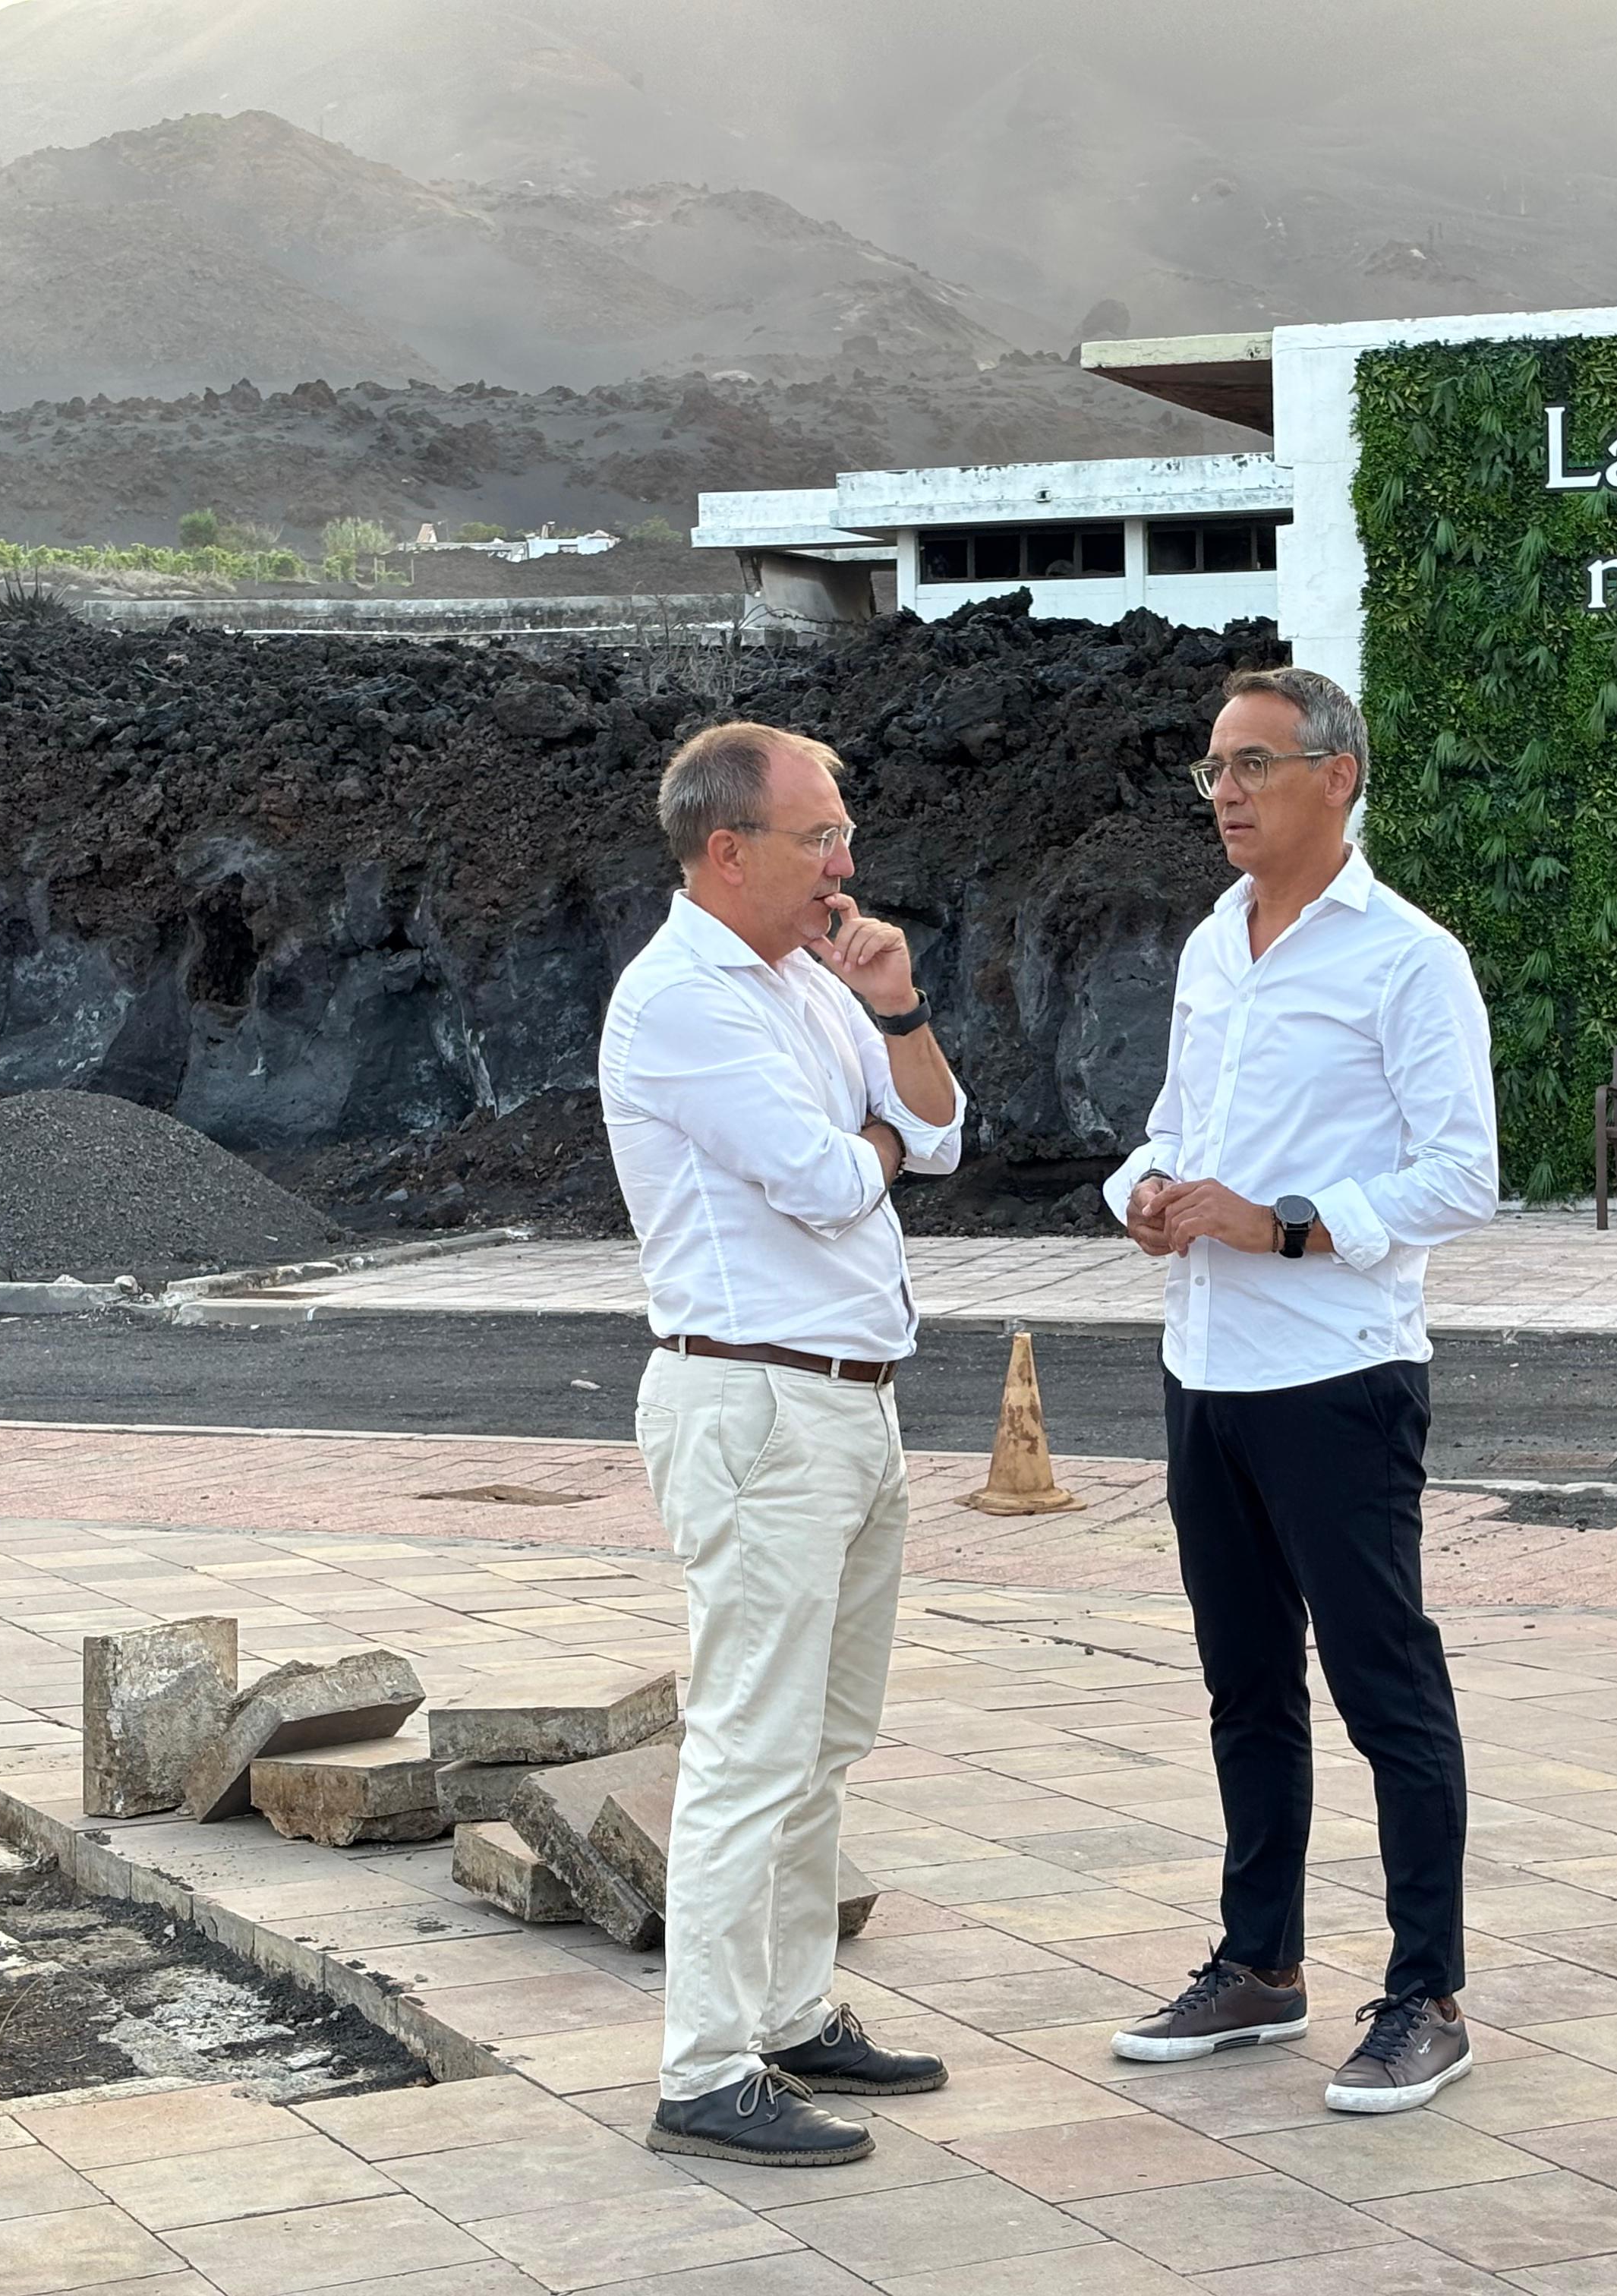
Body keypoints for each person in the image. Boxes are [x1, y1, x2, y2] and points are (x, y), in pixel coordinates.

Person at [1100, 664, 1499, 2114]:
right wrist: (1145, 1193)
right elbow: (1170, 1127)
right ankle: (1259, 1964)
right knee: (1245, 1685)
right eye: (1213, 768)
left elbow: (1463, 1176)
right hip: (1203, 1366)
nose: (1225, 792)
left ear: (1338, 776)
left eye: (1253, 765)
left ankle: (1426, 1994)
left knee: (1385, 1686)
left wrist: (1285, 1225)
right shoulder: (1214, 943)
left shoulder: (1408, 958)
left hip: (1338, 1377)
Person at [600, 719, 966, 2168]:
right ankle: (704, 2068)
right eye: (819, 836)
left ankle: (794, 2010)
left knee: (825, 1739)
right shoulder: (683, 1000)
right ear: (726, 850)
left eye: (844, 833)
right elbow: (827, 1182)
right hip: (754, 1404)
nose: (845, 861)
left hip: (851, 1400)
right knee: (752, 1744)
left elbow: (942, 1133)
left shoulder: (812, 980)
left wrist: (898, 1010)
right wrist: (877, 1147)